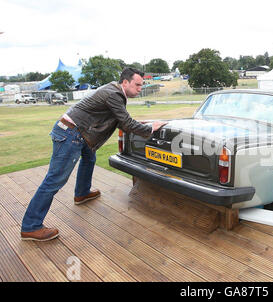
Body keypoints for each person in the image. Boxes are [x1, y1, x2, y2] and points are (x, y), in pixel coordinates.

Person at [21, 67, 166, 241]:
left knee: (89, 158)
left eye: (141, 85)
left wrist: (141, 124)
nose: (139, 89)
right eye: (137, 85)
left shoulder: (113, 90)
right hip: (71, 134)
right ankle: (31, 226)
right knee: (54, 180)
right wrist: (151, 127)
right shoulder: (115, 94)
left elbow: (120, 121)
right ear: (125, 82)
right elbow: (126, 124)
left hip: (77, 133)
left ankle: (82, 193)